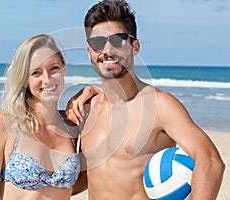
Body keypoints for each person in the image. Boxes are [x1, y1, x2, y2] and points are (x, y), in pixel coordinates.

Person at [65, 0, 225, 199]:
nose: (107, 50)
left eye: (118, 40)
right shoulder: (86, 109)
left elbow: (210, 162)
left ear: (135, 46)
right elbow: (86, 179)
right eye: (97, 43)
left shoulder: (160, 106)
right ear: (89, 52)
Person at [0, 34, 87, 200]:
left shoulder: (72, 127)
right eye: (36, 72)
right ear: (24, 80)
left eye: (54, 68)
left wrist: (92, 90)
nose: (47, 79)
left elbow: (83, 182)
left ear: (64, 67)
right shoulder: (3, 126)